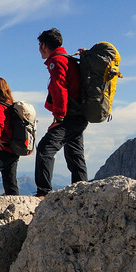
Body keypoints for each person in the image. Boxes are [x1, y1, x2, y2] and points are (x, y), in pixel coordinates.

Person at [34, 27, 88, 197]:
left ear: (43, 45)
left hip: (69, 117)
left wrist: (58, 117)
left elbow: (60, 90)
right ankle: (82, 192)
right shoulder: (69, 59)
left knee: (45, 148)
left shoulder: (57, 61)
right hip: (80, 115)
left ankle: (43, 193)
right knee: (75, 155)